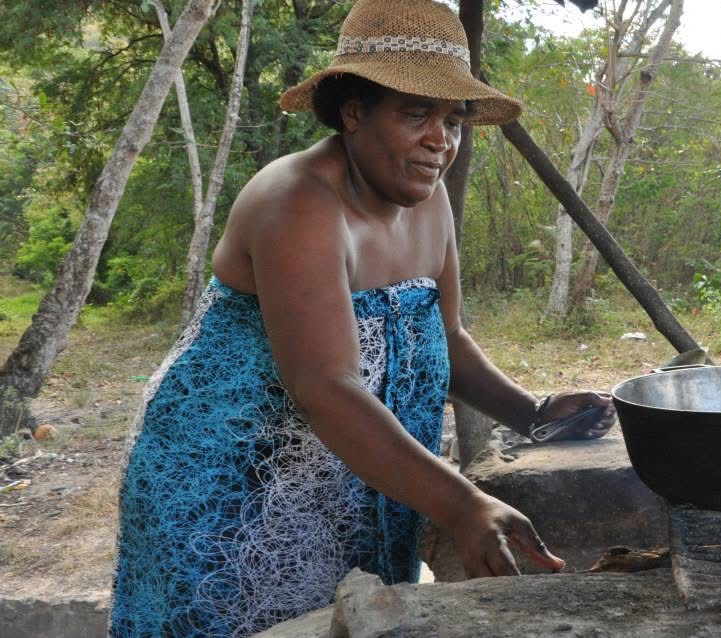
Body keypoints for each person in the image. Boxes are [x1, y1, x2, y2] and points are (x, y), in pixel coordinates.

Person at [110, 0, 615, 635]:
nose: (441, 141)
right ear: (353, 113)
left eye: (454, 122)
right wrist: (461, 505)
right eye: (415, 115)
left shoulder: (426, 201)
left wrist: (533, 414)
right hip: (235, 483)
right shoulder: (296, 202)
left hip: (359, 470)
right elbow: (325, 385)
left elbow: (446, 337)